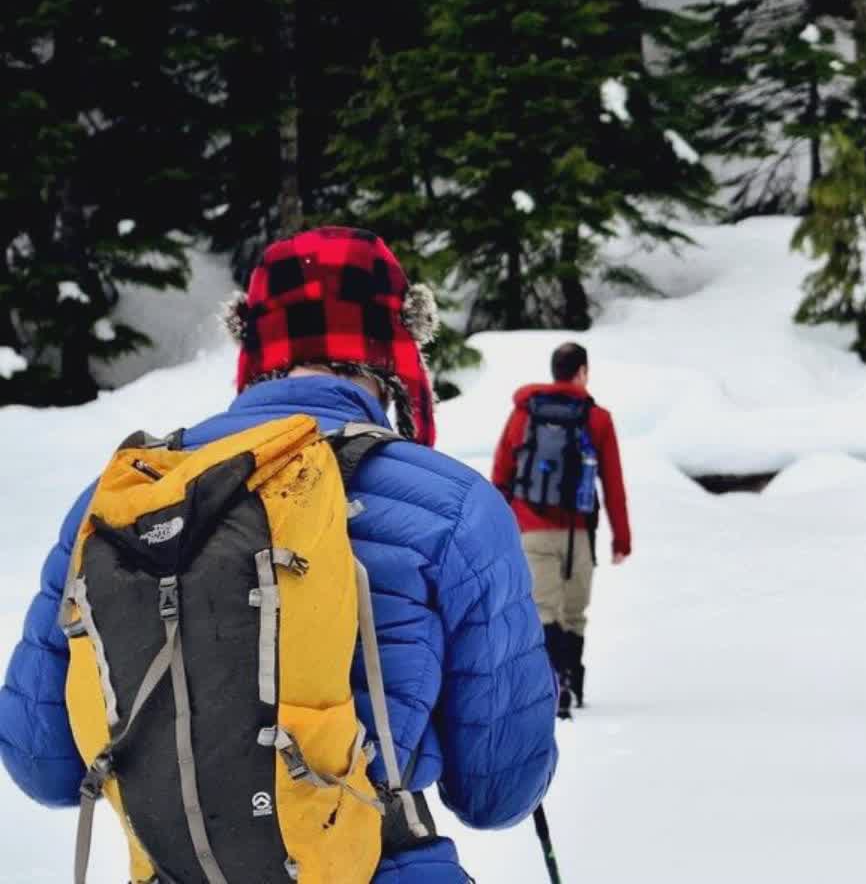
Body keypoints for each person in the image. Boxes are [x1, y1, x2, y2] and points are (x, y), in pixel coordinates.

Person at [0, 226, 558, 882]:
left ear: (255, 349)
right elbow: (497, 794)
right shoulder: (455, 506)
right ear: (396, 353)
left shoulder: (121, 497)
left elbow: (43, 765)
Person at [492, 342, 630, 719]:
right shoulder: (597, 418)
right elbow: (612, 483)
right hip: (577, 532)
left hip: (531, 528)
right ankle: (571, 679)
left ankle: (552, 684)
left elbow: (502, 472)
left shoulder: (524, 413)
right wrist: (622, 539)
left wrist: (505, 526)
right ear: (582, 371)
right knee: (574, 611)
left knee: (544, 609)